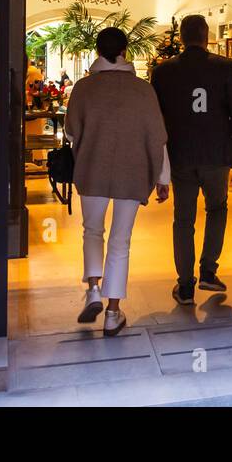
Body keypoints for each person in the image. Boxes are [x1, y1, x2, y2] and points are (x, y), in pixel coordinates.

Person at [66, 27, 170, 336]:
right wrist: (163, 177)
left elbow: (71, 132)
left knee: (92, 231)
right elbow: (157, 138)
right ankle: (113, 314)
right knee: (120, 242)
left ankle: (93, 289)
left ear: (97, 51)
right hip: (132, 172)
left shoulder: (84, 88)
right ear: (126, 51)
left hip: (92, 169)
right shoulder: (143, 90)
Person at [151, 14, 232, 305]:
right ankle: (208, 270)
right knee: (217, 208)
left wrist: (159, 162)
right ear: (206, 36)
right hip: (216, 154)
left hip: (180, 155)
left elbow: (155, 119)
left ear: (181, 37)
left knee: (183, 218)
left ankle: (184, 286)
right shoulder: (224, 67)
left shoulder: (163, 72)